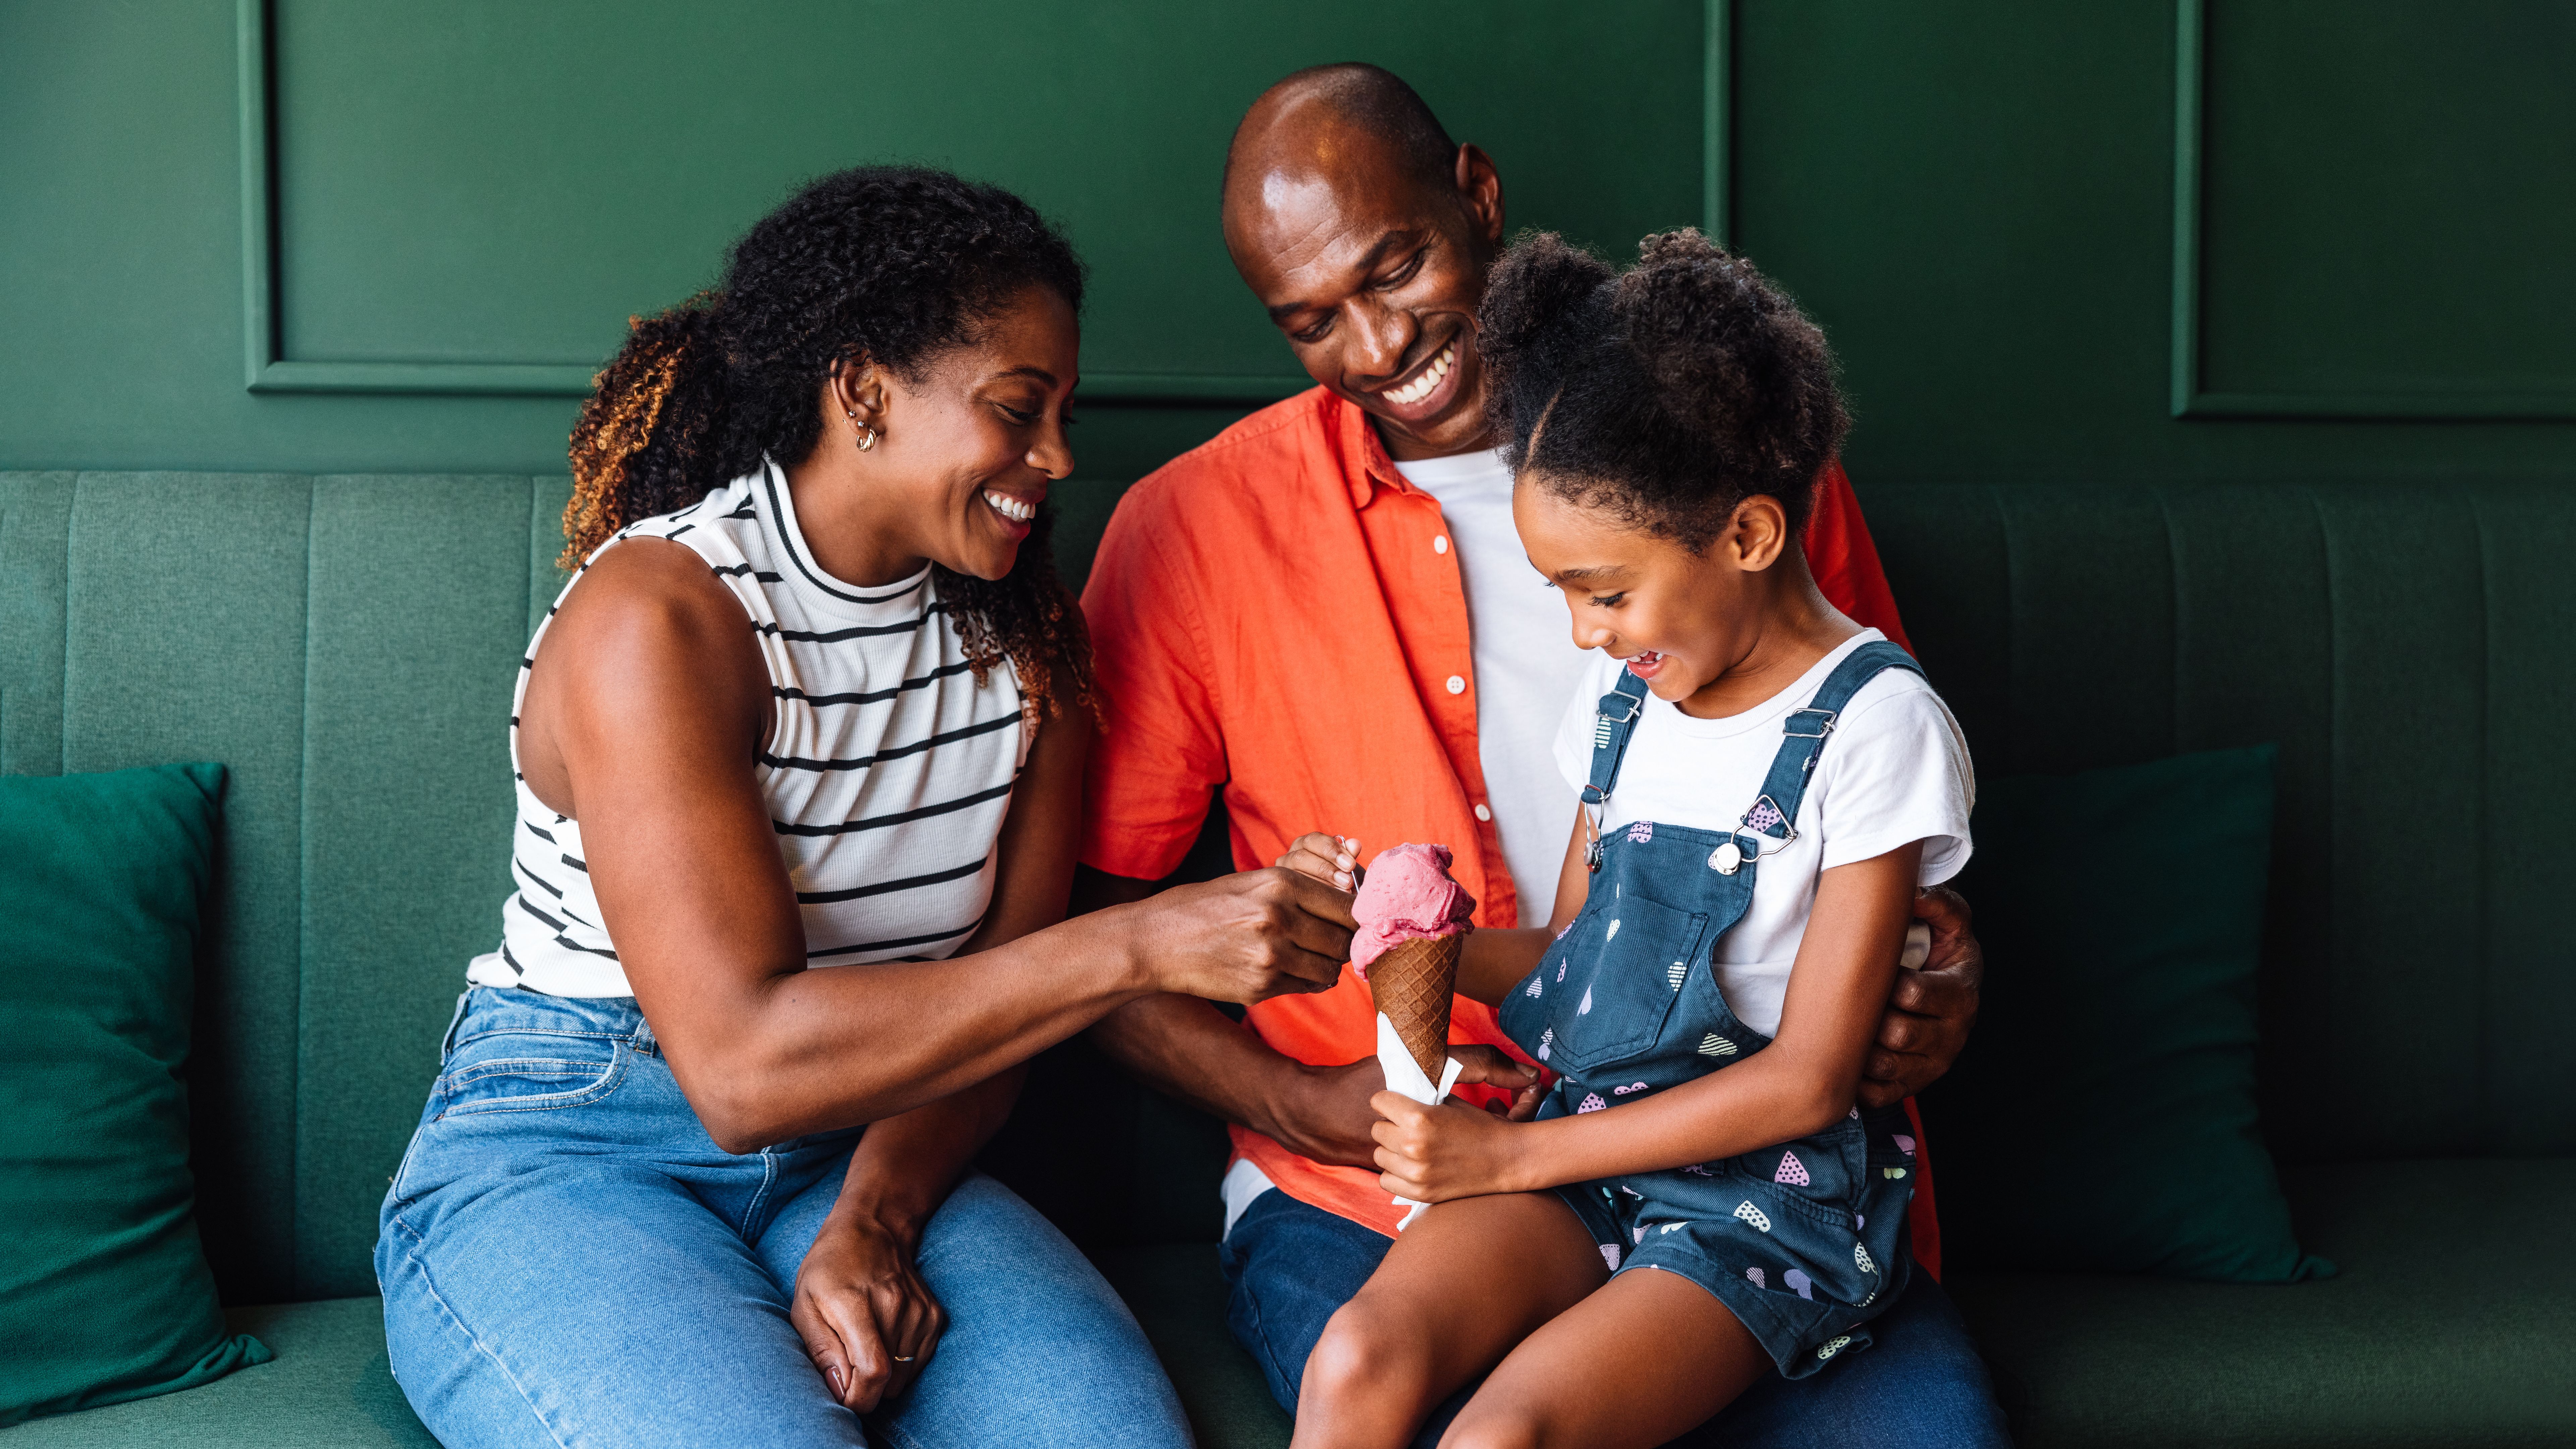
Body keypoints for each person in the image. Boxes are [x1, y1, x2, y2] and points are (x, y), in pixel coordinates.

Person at [1076, 65, 2007, 1443]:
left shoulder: (1741, 471)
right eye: (1310, 322)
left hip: (1749, 1178)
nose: (1378, 342)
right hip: (1367, 1189)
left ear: (1480, 193)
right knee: (1413, 1385)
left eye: (1397, 266)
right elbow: (1088, 939)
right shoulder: (1190, 531)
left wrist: (1939, 967)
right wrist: (1307, 1079)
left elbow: (1866, 823)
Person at [373, 166, 1357, 1449]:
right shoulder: (663, 619)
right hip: (578, 1141)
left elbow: (998, 1003)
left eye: (1064, 411)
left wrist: (877, 1221)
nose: (1057, 459)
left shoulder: (1033, 646)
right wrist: (1141, 943)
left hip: (881, 1147)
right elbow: (740, 1069)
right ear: (863, 392)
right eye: (1019, 410)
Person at [1287, 228, 1976, 1449]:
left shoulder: (1877, 726)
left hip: (1764, 1192)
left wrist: (1498, 1165)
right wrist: (1413, 932)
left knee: (1503, 1436)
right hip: (1581, 1140)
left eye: (1603, 591)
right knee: (1355, 1357)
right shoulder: (1626, 706)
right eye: (1559, 590)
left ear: (1751, 538)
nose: (1581, 633)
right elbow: (1574, 948)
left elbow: (1811, 1078)